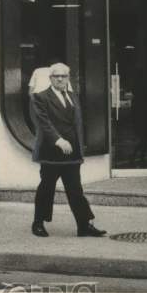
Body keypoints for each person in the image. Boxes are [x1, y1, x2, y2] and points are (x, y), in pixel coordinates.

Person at [30, 62, 106, 237]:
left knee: (75, 189)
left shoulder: (73, 96)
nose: (60, 79)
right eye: (56, 76)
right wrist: (58, 140)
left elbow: (77, 123)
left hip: (72, 153)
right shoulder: (41, 97)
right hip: (51, 152)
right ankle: (38, 223)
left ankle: (84, 225)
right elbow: (44, 123)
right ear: (50, 78)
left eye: (63, 76)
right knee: (46, 188)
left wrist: (79, 145)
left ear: (67, 78)